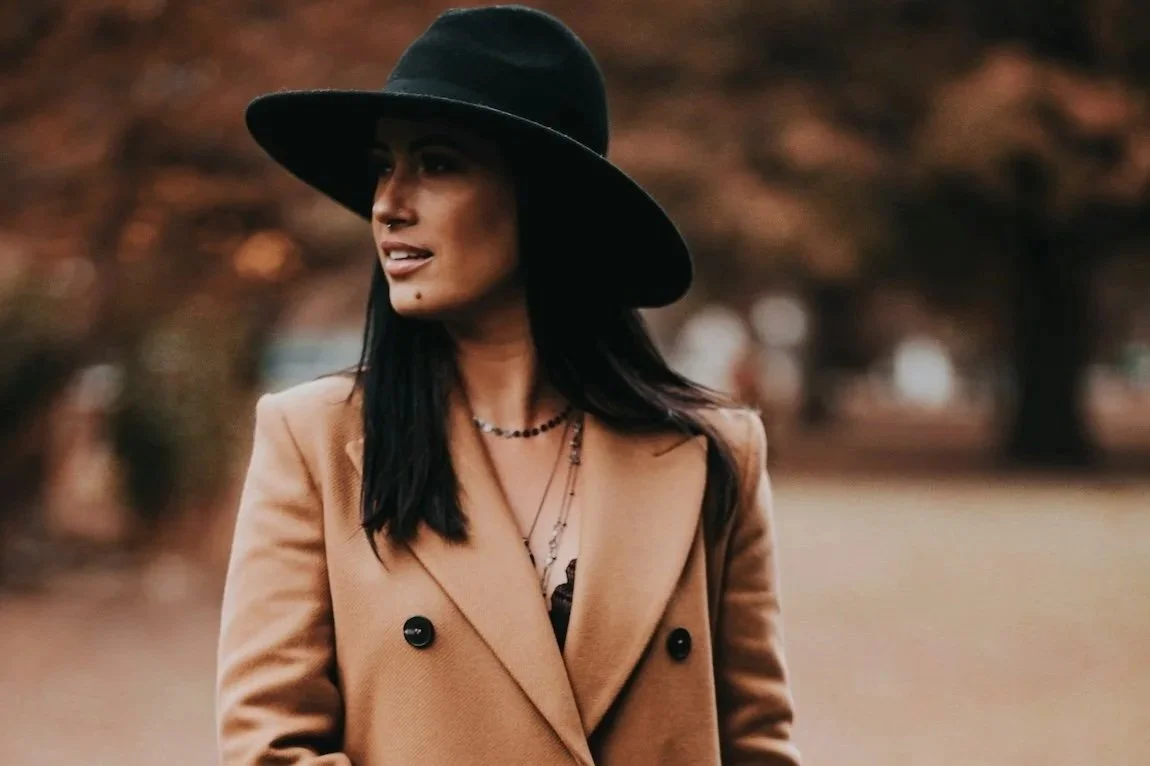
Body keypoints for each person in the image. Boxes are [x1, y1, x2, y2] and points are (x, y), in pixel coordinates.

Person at [216, 6, 800, 765]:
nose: (388, 204)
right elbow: (268, 747)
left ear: (542, 197)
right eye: (381, 167)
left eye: (436, 164)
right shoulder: (317, 441)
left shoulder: (714, 455)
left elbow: (755, 744)